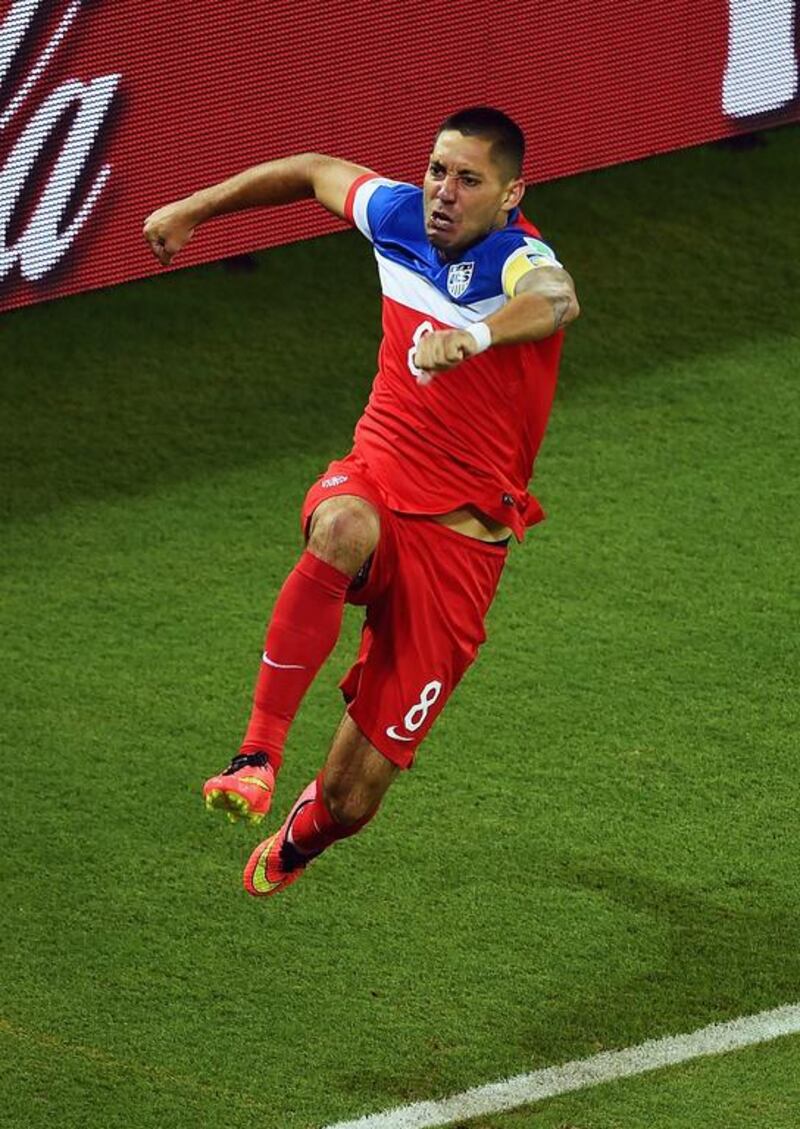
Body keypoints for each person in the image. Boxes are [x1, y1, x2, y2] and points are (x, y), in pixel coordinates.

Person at [143, 106, 580, 897]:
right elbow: (313, 167)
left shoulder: (521, 258)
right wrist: (193, 209)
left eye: (469, 179)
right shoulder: (399, 217)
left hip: (460, 550)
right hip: (376, 481)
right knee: (341, 526)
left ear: (511, 194)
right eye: (437, 169)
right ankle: (256, 756)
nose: (444, 192)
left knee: (353, 796)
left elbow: (556, 298)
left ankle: (305, 831)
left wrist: (473, 338)